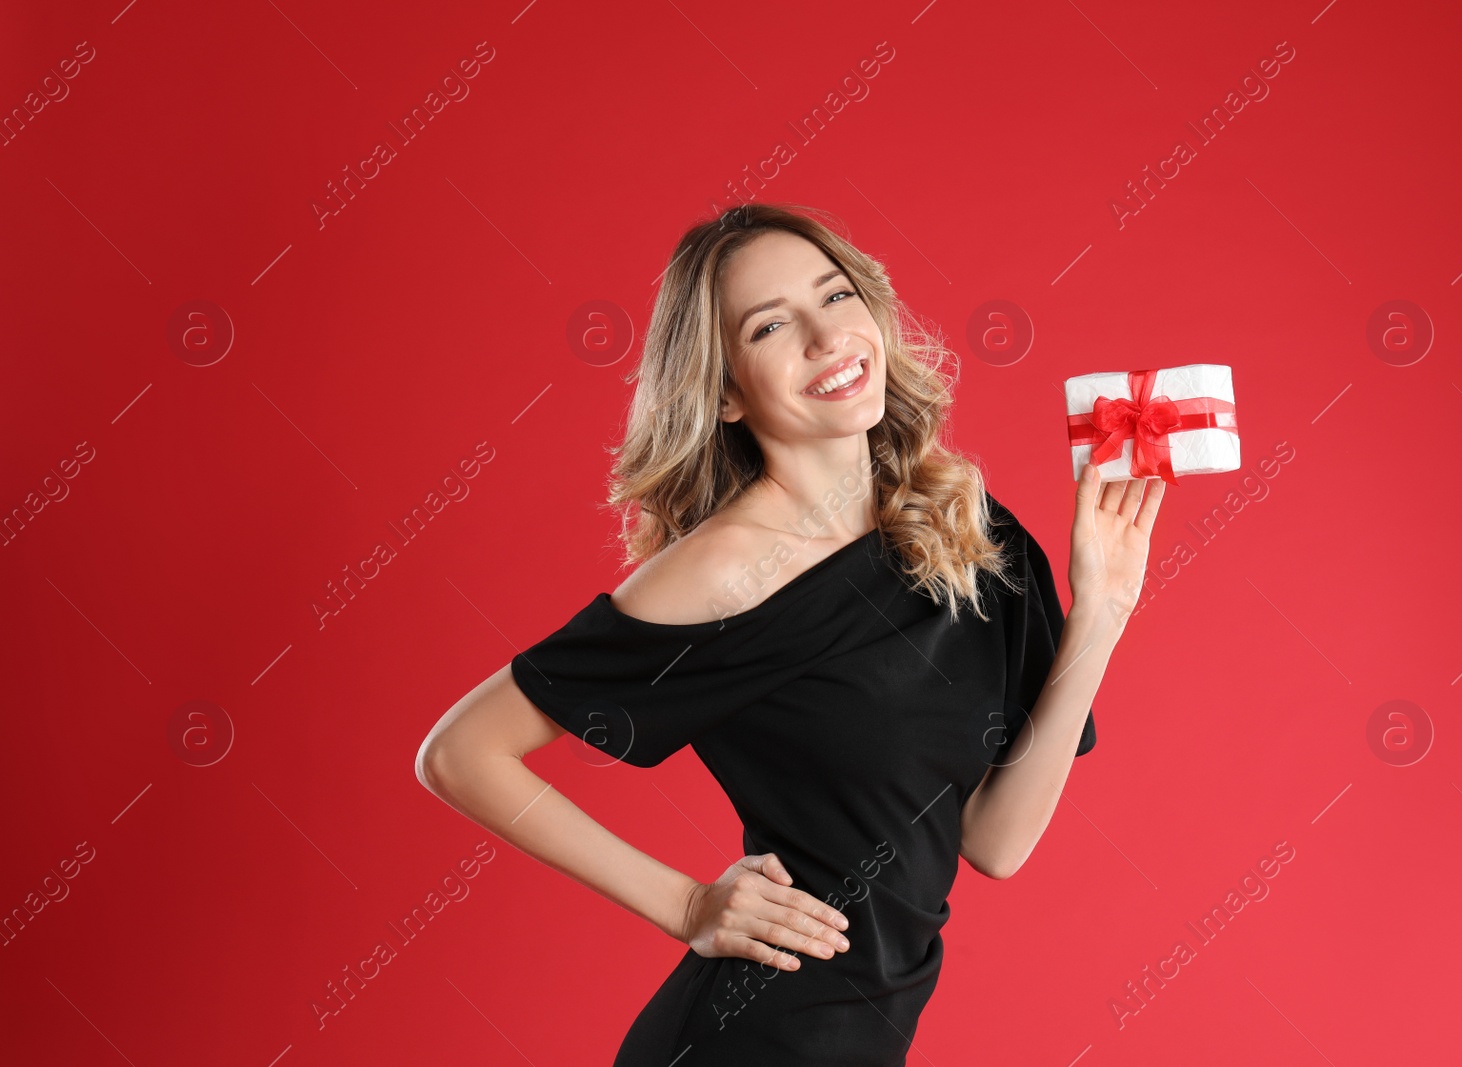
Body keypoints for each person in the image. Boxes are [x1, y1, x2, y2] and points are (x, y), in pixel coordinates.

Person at [414, 202, 1164, 1065]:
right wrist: (686, 905)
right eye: (771, 325)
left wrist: (1102, 610)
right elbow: (459, 752)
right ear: (727, 390)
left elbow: (995, 842)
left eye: (836, 295)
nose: (825, 336)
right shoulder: (722, 568)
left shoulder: (963, 527)